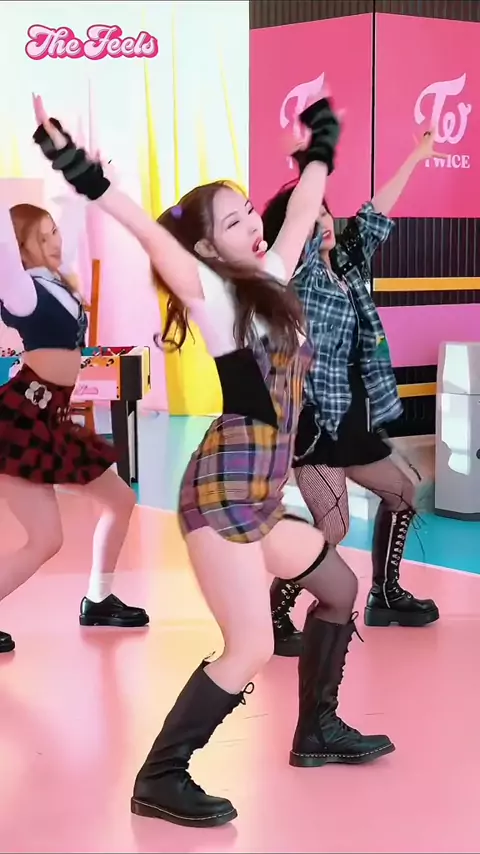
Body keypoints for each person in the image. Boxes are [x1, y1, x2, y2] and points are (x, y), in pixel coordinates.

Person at [33, 93, 395, 830]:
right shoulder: (214, 296)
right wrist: (84, 174)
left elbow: (303, 209)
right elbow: (149, 233)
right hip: (223, 495)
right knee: (251, 645)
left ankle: (317, 731)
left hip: (257, 496)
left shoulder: (274, 277)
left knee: (338, 586)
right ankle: (161, 776)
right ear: (205, 249)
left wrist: (321, 147)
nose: (255, 225)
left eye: (249, 213)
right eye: (234, 223)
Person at [263, 131, 443, 655]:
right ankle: (274, 613)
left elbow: (375, 213)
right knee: (334, 524)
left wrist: (415, 157)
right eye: (311, 214)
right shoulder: (294, 278)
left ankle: (386, 594)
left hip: (354, 419)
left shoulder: (345, 264)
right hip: (315, 423)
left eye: (325, 211)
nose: (323, 219)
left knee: (404, 492)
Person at [0, 196, 149, 653]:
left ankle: (98, 600)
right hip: (20, 420)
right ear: (20, 249)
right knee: (46, 539)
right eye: (42, 237)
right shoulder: (23, 292)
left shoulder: (60, 284)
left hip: (53, 418)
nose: (55, 241)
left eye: (54, 231)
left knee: (120, 499)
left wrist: (85, 187)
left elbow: (77, 222)